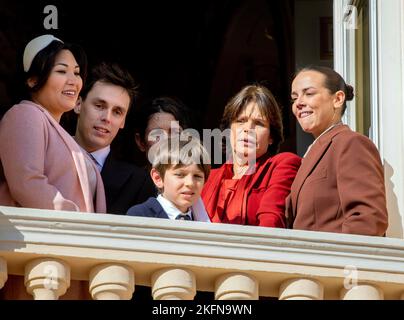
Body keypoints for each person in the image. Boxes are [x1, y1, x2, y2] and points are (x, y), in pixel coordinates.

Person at [0, 34, 106, 213]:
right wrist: (78, 223)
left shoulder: (63, 135)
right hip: (44, 237)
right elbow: (27, 183)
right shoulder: (24, 114)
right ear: (33, 80)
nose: (73, 81)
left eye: (77, 73)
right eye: (61, 71)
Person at [287, 65, 388, 236]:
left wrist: (339, 261)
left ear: (338, 99)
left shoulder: (351, 144)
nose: (299, 103)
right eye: (294, 98)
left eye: (309, 93)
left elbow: (368, 220)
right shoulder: (313, 152)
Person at [201, 84, 301, 227]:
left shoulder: (282, 165)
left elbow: (271, 222)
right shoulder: (207, 177)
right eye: (241, 121)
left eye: (259, 123)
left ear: (271, 136)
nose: (248, 129)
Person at [73, 62, 155, 214]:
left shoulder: (138, 182)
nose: (107, 118)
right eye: (99, 106)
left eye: (117, 112)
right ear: (78, 104)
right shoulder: (43, 154)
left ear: (123, 121)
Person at [127, 137, 211, 222]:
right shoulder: (139, 216)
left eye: (197, 176)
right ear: (158, 178)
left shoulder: (205, 220)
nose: (190, 183)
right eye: (180, 175)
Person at [132, 96, 192, 167]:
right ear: (141, 142)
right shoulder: (132, 177)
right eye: (157, 135)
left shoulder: (201, 176)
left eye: (176, 133)